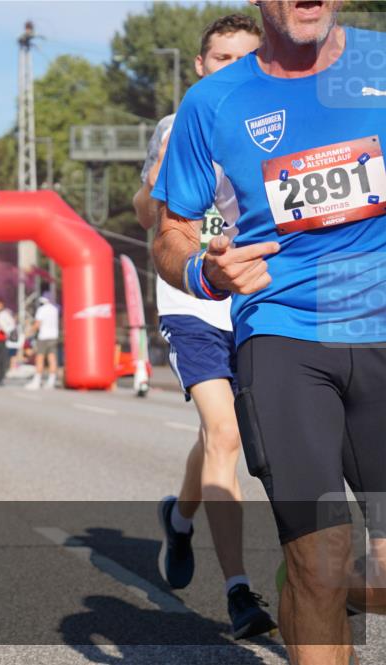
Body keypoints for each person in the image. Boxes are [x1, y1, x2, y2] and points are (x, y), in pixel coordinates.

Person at [152, 3, 385, 662]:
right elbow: (169, 231)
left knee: (365, 573)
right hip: (282, 335)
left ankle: (316, 589)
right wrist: (206, 270)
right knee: (319, 556)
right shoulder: (214, 102)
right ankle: (312, 581)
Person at [133, 13, 276, 640]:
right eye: (221, 58)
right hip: (193, 296)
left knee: (235, 433)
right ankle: (240, 591)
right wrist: (161, 173)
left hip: (258, 294)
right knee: (225, 435)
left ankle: (181, 516)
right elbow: (147, 215)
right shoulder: (178, 123)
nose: (233, 68)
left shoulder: (278, 116)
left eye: (245, 57)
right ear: (200, 65)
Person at [27, 292, 60, 390]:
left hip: (43, 337)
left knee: (40, 358)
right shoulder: (55, 309)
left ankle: (37, 381)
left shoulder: (41, 310)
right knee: (52, 358)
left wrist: (29, 332)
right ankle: (51, 380)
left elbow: (38, 324)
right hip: (53, 336)